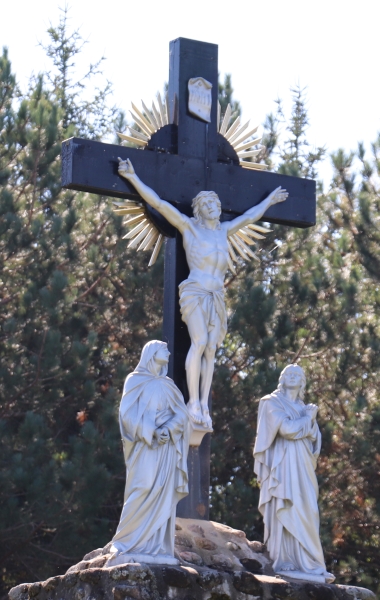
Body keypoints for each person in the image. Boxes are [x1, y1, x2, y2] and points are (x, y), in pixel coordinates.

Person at [118, 158, 288, 429]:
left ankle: (204, 402)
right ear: (199, 210)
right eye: (208, 204)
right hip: (196, 291)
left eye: (216, 204)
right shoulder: (190, 228)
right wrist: (133, 177)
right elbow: (160, 204)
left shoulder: (224, 231)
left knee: (211, 348)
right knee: (198, 342)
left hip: (216, 296)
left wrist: (270, 201)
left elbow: (250, 217)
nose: (214, 207)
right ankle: (193, 402)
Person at [108, 340, 189, 565]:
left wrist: (168, 429)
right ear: (152, 353)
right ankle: (126, 541)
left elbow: (182, 415)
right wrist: (152, 431)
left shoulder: (169, 385)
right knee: (142, 486)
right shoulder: (135, 381)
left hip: (166, 448)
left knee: (163, 492)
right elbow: (127, 415)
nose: (169, 352)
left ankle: (156, 547)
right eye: (164, 349)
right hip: (146, 445)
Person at [253, 364, 334, 583]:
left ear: (302, 382)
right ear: (282, 378)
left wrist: (308, 424)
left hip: (303, 465)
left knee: (307, 508)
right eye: (288, 373)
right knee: (285, 504)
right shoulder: (271, 402)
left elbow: (314, 439)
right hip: (284, 465)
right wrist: (308, 420)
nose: (292, 375)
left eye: (298, 374)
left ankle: (311, 562)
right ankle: (285, 558)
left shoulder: (304, 408)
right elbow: (287, 430)